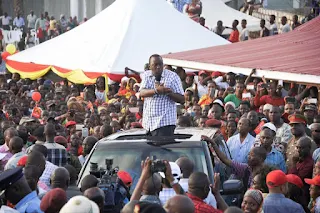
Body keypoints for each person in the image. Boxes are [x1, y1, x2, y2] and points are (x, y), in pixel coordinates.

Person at [139, 54, 184, 136]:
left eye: (160, 64)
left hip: (165, 123)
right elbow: (141, 93)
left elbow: (182, 99)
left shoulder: (172, 77)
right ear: (150, 66)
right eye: (155, 65)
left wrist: (168, 92)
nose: (158, 67)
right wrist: (156, 91)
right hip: (148, 124)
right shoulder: (146, 75)